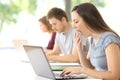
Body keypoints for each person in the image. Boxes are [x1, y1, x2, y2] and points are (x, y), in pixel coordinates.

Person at [60, 3, 120, 80]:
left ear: (89, 20)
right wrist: (79, 49)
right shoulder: (93, 39)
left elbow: (114, 76)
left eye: (76, 21)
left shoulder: (109, 39)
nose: (73, 26)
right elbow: (89, 67)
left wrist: (81, 70)